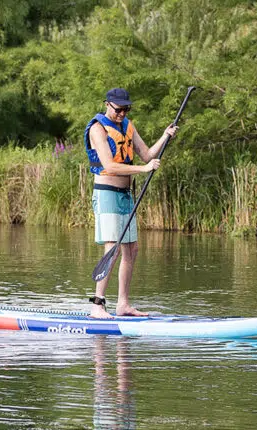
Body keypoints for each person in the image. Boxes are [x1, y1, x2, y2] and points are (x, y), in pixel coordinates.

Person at [85, 87, 177, 318]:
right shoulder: (98, 129)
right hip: (106, 192)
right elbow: (109, 166)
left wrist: (165, 136)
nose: (122, 114)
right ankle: (97, 305)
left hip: (126, 195)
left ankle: (123, 305)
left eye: (126, 109)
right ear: (107, 104)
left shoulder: (128, 125)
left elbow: (147, 155)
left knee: (131, 249)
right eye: (119, 110)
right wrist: (143, 170)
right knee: (112, 248)